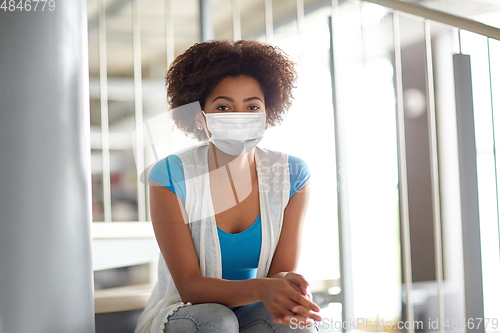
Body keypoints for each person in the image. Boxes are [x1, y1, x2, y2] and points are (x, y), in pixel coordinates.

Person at [134, 39, 321, 333]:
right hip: (191, 315)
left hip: (254, 313)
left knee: (294, 326)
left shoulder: (292, 175)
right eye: (224, 107)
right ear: (201, 119)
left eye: (252, 107)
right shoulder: (170, 175)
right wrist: (262, 289)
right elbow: (190, 288)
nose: (239, 116)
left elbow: (279, 272)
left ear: (266, 115)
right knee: (218, 322)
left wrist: (289, 285)